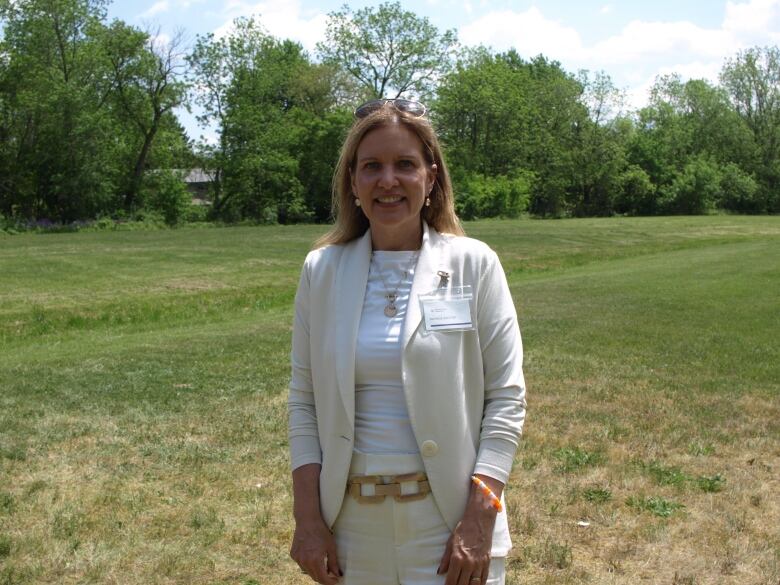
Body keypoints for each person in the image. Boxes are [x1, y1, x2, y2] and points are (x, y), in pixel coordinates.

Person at [288, 98, 527, 585]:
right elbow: (304, 402)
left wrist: (480, 516)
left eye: (405, 165)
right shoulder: (322, 271)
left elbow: (506, 397)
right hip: (350, 533)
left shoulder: (473, 264)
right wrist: (307, 521)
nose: (388, 181)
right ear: (352, 181)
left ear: (431, 177)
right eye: (372, 166)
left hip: (448, 527)